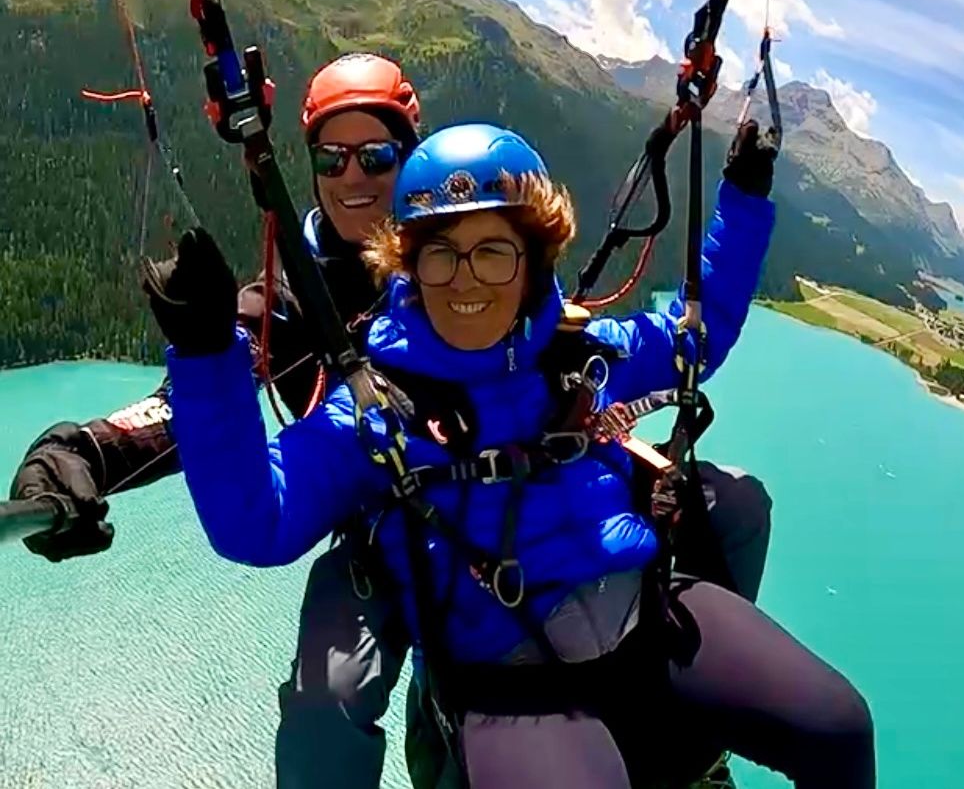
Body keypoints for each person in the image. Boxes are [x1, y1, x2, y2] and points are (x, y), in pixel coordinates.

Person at [10, 54, 773, 788]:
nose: (353, 176)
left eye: (376, 156)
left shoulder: (465, 238)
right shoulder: (286, 302)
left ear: (410, 161)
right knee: (327, 698)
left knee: (732, 504)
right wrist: (83, 452)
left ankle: (687, 722)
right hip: (381, 522)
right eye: (331, 157)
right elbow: (193, 407)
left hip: (515, 498)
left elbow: (569, 342)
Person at [146, 121, 875, 788]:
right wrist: (207, 357)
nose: (465, 278)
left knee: (838, 729)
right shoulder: (375, 410)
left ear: (532, 262)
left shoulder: (578, 355)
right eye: (441, 254)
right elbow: (258, 524)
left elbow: (697, 337)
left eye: (492, 252)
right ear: (409, 266)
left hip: (648, 612)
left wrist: (742, 198)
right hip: (509, 675)